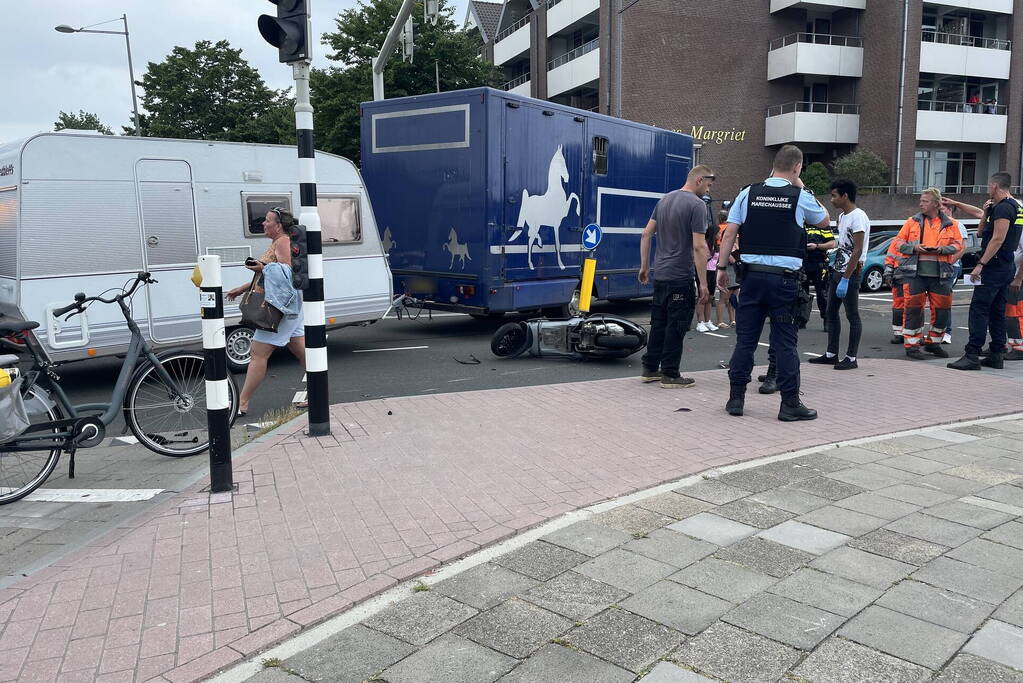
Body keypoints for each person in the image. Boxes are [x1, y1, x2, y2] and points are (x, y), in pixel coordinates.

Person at [716, 145, 829, 420]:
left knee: (745, 341)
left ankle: (736, 399)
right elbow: (824, 220)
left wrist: (721, 268)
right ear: (797, 167)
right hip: (784, 281)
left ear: (773, 165)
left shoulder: (748, 193)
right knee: (785, 342)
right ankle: (789, 404)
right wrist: (801, 185)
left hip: (751, 278)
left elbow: (730, 233)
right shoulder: (800, 196)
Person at [226, 207, 306, 416]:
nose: (263, 223)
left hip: (281, 308)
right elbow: (272, 275)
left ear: (278, 226)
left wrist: (262, 267)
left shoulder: (282, 242)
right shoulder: (279, 241)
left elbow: (287, 272)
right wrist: (242, 288)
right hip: (290, 306)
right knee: (302, 350)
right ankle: (319, 392)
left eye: (267, 220)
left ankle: (242, 403)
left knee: (257, 353)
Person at [638, 166, 713, 387]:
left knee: (659, 323)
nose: (708, 190)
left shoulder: (664, 200)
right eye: (708, 185)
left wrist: (644, 266)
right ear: (699, 180)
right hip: (680, 275)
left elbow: (646, 233)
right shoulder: (697, 205)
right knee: (676, 325)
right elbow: (699, 246)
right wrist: (703, 283)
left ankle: (650, 368)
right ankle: (670, 374)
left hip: (661, 274)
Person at [944, 172, 1023, 370]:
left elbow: (997, 239)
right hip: (1006, 266)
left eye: (989, 186)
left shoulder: (1004, 208)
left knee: (979, 309)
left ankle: (972, 354)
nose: (988, 189)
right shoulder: (1014, 207)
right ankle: (996, 354)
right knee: (997, 311)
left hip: (994, 267)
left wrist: (981, 264)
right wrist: (987, 212)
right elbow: (981, 232)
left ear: (995, 186)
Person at [888, 188, 961, 361]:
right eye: (921, 200)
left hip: (941, 275)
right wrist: (914, 248)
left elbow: (959, 245)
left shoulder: (951, 224)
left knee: (943, 310)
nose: (921, 204)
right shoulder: (911, 222)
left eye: (925, 201)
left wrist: (941, 250)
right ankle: (912, 346)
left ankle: (933, 343)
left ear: (936, 203)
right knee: (913, 310)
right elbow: (897, 243)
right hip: (915, 274)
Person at [809, 179, 869, 369]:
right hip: (837, 269)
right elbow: (842, 244)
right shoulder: (843, 216)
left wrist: (846, 278)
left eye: (834, 196)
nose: (832, 199)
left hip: (850, 273)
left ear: (845, 196)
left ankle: (851, 357)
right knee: (831, 312)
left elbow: (857, 250)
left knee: (852, 315)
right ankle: (831, 353)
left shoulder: (858, 217)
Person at [803, 216, 835, 330]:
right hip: (803, 263)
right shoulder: (800, 224)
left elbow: (832, 243)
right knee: (802, 293)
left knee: (822, 294)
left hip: (819, 263)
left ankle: (827, 320)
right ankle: (801, 319)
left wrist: (817, 246)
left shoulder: (822, 225)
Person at [696, 221, 720, 332]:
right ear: (713, 233)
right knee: (703, 297)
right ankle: (700, 322)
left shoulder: (716, 245)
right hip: (703, 272)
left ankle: (707, 321)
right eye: (718, 233)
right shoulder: (704, 245)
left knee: (710, 298)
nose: (720, 235)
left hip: (712, 272)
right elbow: (700, 260)